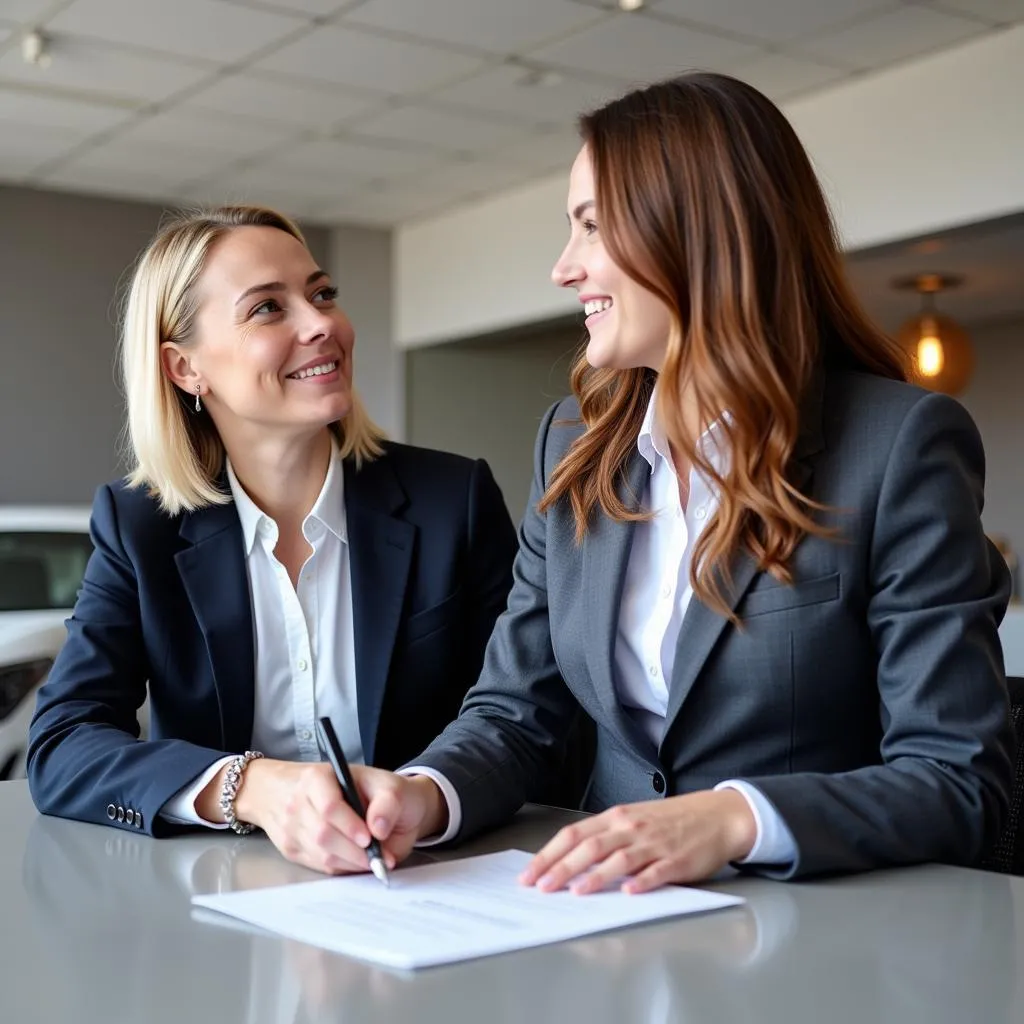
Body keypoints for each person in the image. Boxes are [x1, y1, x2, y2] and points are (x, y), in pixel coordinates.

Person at [301, 72, 1015, 888]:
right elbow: (515, 713)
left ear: (699, 233)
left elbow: (959, 782)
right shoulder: (572, 444)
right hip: (608, 925)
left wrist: (732, 818)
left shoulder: (898, 447)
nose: (563, 269)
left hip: (816, 941)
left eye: (592, 227)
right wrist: (422, 795)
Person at [27, 205, 518, 875]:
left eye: (321, 294)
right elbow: (62, 745)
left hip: (426, 880)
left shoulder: (451, 501)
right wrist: (251, 788)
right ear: (184, 368)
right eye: (267, 309)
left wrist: (428, 795)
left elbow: (521, 717)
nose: (322, 324)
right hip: (223, 903)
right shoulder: (139, 524)